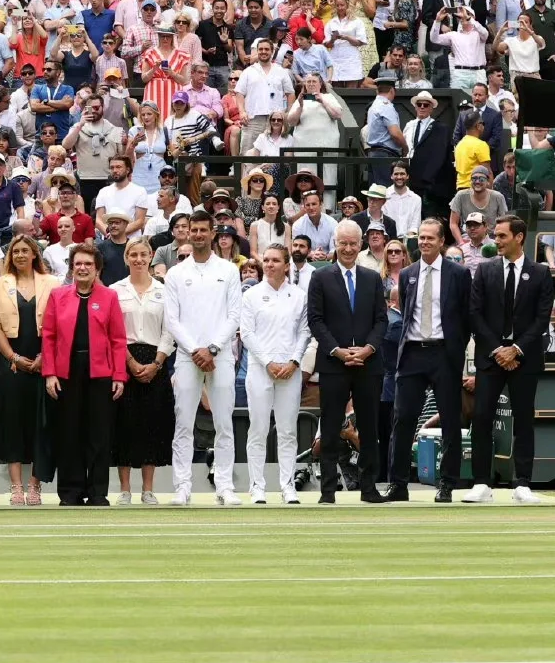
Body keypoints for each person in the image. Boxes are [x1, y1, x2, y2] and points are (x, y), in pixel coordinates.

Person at [467, 215, 554, 503]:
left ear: (519, 237)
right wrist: (498, 350)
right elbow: (475, 314)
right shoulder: (484, 271)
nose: (497, 241)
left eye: (502, 236)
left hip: (524, 358)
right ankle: (481, 482)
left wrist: (516, 349)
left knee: (524, 418)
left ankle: (523, 483)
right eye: (496, 235)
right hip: (492, 357)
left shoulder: (540, 273)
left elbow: (542, 319)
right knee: (481, 417)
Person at [162, 210, 243, 505]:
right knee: (183, 422)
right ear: (186, 233)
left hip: (219, 356)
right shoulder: (175, 274)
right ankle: (182, 487)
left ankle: (224, 486)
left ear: (212, 233)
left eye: (202, 230)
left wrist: (212, 348)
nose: (197, 235)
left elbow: (234, 315)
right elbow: (172, 320)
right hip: (187, 356)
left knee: (224, 422)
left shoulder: (229, 270)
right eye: (192, 230)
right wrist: (196, 349)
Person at [387, 218, 469, 503]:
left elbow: (465, 317)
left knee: (450, 420)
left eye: (429, 238)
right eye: (420, 238)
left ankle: (446, 483)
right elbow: (405, 310)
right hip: (412, 353)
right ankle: (397, 484)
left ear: (441, 241)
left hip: (444, 353)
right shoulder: (407, 274)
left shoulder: (458, 274)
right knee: (403, 419)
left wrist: (456, 350)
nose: (424, 242)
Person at [306, 219, 388, 503]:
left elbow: (381, 320)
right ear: (335, 244)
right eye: (343, 243)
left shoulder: (372, 278)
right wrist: (337, 351)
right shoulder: (321, 277)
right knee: (330, 426)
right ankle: (328, 490)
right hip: (333, 364)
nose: (349, 248)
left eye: (354, 243)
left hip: (369, 364)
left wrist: (367, 349)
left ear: (361, 244)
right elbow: (315, 320)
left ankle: (368, 488)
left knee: (368, 427)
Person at [41, 242, 128, 505]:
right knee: (69, 433)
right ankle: (70, 492)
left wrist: (119, 376)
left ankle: (98, 491)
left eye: (88, 264)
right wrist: (50, 373)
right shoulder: (58, 296)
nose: (82, 268)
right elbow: (48, 336)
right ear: (71, 267)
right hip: (66, 372)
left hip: (101, 373)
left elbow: (118, 339)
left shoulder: (109, 297)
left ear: (97, 269)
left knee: (99, 434)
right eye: (77, 263)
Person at [238, 243, 311, 505]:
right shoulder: (251, 295)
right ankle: (257, 486)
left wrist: (293, 361)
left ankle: (287, 485)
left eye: (275, 261)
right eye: (266, 260)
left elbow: (304, 332)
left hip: (290, 372)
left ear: (286, 265)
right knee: (257, 429)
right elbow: (246, 334)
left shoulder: (300, 296)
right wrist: (268, 362)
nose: (269, 265)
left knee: (288, 431)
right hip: (260, 371)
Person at [0, 235, 53, 506]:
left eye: (26, 251)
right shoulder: (0, 284)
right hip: (11, 363)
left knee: (41, 424)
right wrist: (13, 356)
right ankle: (16, 486)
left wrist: (43, 356)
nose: (21, 256)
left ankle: (35, 485)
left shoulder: (53, 283)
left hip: (43, 362)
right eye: (16, 252)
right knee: (13, 423)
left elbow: (58, 325)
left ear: (35, 254)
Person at [110, 237, 173, 505]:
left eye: (143, 254)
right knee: (124, 423)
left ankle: (148, 489)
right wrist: (130, 362)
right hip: (124, 360)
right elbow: (112, 331)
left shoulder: (164, 291)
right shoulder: (115, 290)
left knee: (152, 422)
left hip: (156, 361)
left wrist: (157, 363)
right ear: (126, 258)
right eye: (133, 254)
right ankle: (125, 489)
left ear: (150, 257)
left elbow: (170, 330)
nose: (138, 259)